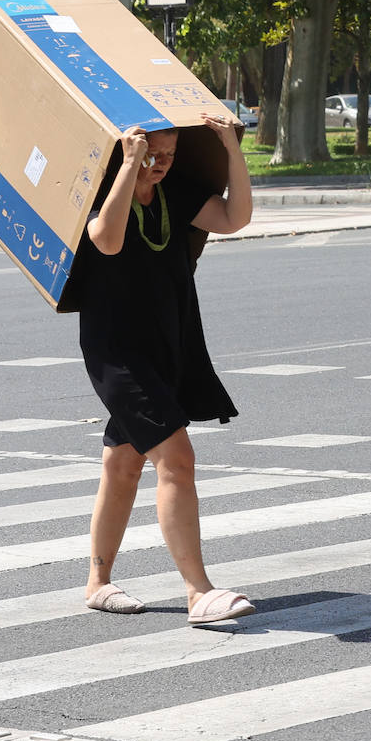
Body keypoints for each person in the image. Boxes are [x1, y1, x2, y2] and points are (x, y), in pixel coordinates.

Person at [77, 113, 256, 625]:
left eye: (168, 156)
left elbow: (234, 218)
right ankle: (198, 591)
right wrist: (128, 167)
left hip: (169, 346)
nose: (159, 165)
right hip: (118, 354)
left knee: (123, 464)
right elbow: (106, 241)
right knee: (177, 459)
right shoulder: (100, 197)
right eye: (150, 154)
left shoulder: (174, 194)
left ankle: (97, 582)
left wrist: (231, 148)